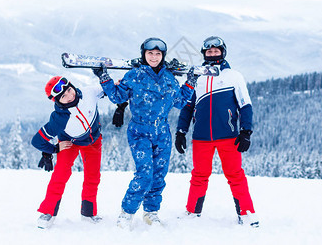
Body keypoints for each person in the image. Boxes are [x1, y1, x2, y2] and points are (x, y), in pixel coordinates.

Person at [92, 37, 198, 229]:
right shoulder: (134, 76)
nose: (154, 57)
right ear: (144, 54)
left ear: (163, 56)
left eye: (158, 54)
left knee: (159, 174)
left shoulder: (169, 79)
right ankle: (127, 213)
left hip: (162, 132)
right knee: (145, 173)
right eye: (150, 53)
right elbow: (117, 95)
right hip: (140, 130)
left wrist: (190, 83)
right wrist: (104, 78)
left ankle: (151, 212)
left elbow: (180, 102)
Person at [175, 36, 259, 228]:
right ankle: (193, 211)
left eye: (216, 51)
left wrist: (246, 131)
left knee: (235, 175)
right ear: (204, 54)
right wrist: (181, 131)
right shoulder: (197, 77)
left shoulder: (233, 76)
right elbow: (187, 107)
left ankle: (245, 214)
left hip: (228, 137)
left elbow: (245, 105)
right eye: (209, 52)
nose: (213, 54)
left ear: (223, 52)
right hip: (201, 137)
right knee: (199, 175)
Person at [31, 76, 105, 229]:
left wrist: (120, 102)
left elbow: (110, 89)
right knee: (60, 175)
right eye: (63, 96)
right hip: (69, 143)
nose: (70, 96)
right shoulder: (59, 118)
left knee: (93, 176)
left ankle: (88, 213)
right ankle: (48, 212)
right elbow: (37, 141)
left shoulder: (89, 93)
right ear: (57, 101)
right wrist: (53, 149)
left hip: (93, 141)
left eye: (69, 90)